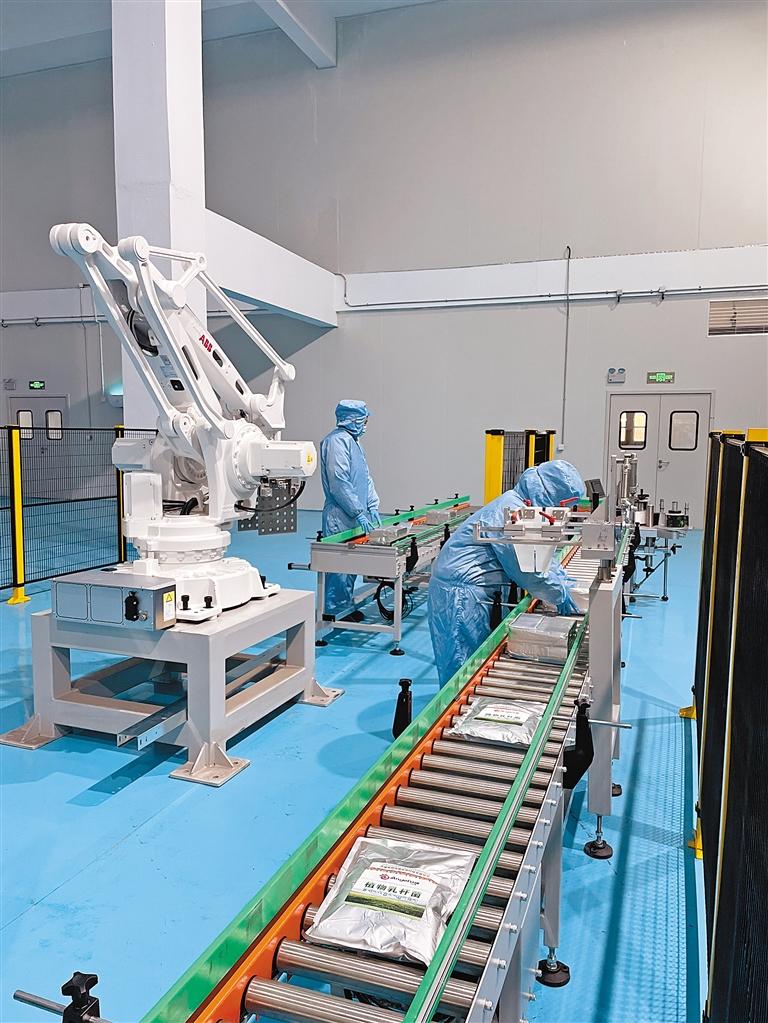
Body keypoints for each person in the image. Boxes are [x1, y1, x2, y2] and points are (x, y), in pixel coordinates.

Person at [428, 460, 585, 685]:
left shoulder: (525, 506)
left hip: (476, 590)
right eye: (565, 504)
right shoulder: (512, 510)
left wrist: (561, 578)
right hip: (460, 594)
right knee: (462, 669)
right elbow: (525, 570)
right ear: (550, 493)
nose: (565, 511)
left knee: (476, 660)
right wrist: (558, 595)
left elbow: (539, 553)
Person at [320, 400, 381, 619]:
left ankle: (344, 607)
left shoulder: (354, 443)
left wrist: (372, 504)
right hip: (340, 516)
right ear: (353, 420)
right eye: (364, 421)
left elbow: (365, 477)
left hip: (355, 515)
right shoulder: (336, 442)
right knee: (339, 566)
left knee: (351, 564)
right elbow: (339, 483)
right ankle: (334, 612)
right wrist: (358, 511)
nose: (366, 425)